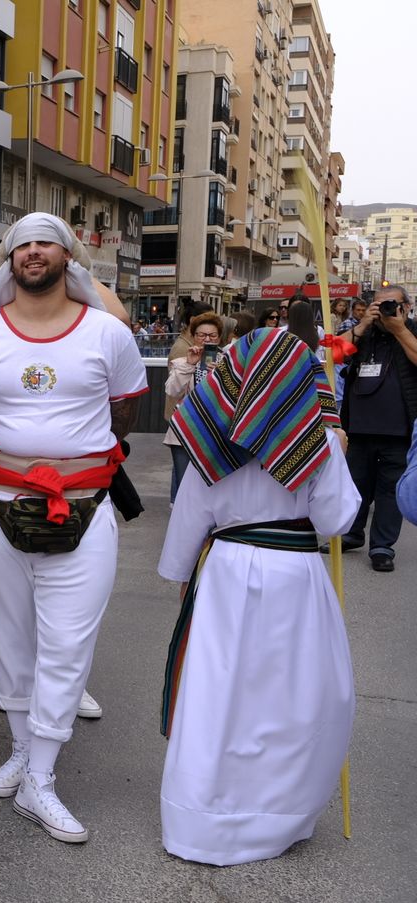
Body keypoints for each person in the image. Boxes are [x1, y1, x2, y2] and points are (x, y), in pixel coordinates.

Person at [0, 212, 146, 844]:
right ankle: (22, 753)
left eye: (46, 243)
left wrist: (69, 462)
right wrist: (13, 462)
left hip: (84, 506)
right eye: (22, 244)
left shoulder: (108, 334)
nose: (34, 253)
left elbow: (126, 409)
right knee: (9, 636)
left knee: (67, 642)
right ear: (9, 260)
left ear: (68, 256)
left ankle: (42, 776)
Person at [158, 328, 357, 866]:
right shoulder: (314, 439)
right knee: (291, 695)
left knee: (218, 694)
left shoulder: (209, 438)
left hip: (224, 574)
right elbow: (337, 519)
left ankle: (203, 818)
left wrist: (180, 572)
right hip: (294, 574)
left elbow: (190, 515)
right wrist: (336, 448)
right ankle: (280, 814)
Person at [336, 284, 417, 571]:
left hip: (400, 429)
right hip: (358, 426)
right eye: (379, 305)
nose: (385, 310)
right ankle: (350, 533)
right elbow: (334, 355)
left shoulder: (411, 330)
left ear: (406, 307)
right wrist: (363, 323)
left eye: (391, 305)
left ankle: (382, 547)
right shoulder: (365, 331)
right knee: (356, 484)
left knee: (389, 490)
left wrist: (399, 329)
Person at [162, 312, 225, 503]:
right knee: (184, 484)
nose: (207, 339)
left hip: (217, 432)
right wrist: (189, 365)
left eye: (212, 336)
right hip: (185, 431)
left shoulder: (228, 362)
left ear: (219, 337)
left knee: (215, 483)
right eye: (201, 335)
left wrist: (221, 376)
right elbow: (172, 391)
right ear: (193, 336)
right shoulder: (182, 362)